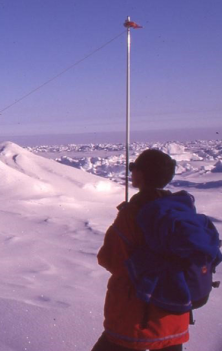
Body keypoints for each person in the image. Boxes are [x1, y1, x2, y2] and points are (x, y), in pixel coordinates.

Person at [91, 149, 188, 351]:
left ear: (142, 174)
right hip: (174, 318)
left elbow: (109, 259)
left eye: (133, 168)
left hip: (135, 320)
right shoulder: (182, 211)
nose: (131, 172)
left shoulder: (132, 215)